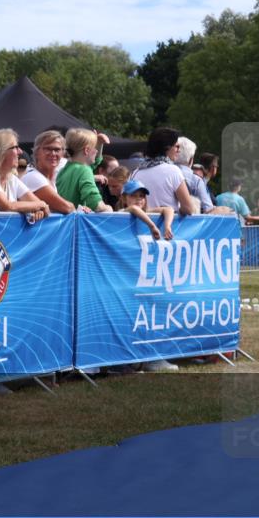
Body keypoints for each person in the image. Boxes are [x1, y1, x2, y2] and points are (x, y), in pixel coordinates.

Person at [117, 180, 179, 373]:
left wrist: (167, 225)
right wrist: (152, 225)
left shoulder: (149, 210)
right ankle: (129, 361)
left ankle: (151, 358)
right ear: (124, 198)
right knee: (128, 318)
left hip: (146, 275)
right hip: (125, 275)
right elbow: (134, 210)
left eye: (142, 196)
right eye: (134, 195)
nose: (139, 200)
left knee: (151, 315)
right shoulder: (119, 213)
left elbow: (168, 209)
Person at [0, 129, 50, 220]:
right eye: (15, 147)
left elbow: (38, 204)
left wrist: (38, 208)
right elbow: (6, 206)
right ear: (1, 152)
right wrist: (40, 205)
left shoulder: (11, 178)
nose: (20, 152)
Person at [129, 127, 198, 215]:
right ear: (167, 147)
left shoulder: (136, 172)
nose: (179, 150)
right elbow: (188, 209)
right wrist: (173, 212)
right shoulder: (173, 171)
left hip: (141, 225)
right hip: (167, 226)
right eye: (177, 146)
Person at [56, 128, 113, 212]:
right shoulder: (84, 170)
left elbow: (94, 162)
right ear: (86, 150)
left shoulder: (64, 170)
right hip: (77, 223)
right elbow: (95, 204)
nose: (96, 151)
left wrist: (99, 143)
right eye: (94, 147)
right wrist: (108, 208)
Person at [20, 130, 76, 214]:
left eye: (57, 150)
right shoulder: (33, 177)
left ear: (62, 154)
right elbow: (66, 207)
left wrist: (82, 210)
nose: (53, 153)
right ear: (36, 152)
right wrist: (77, 210)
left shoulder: (48, 179)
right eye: (48, 149)